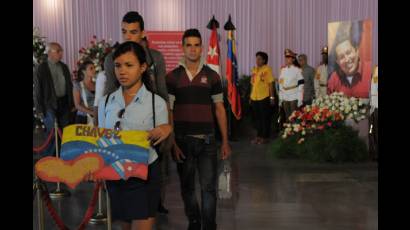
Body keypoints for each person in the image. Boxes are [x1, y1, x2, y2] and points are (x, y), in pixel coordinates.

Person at [97, 41, 172, 230]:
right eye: (118, 65)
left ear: (143, 67)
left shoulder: (157, 103)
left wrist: (166, 129)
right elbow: (100, 139)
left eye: (129, 65)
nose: (122, 71)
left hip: (144, 175)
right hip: (115, 176)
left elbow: (164, 134)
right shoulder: (105, 102)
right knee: (124, 226)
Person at [166, 29, 232, 230]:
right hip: (182, 141)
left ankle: (209, 225)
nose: (193, 49)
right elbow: (169, 111)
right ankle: (194, 221)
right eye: (189, 45)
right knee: (187, 188)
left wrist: (225, 141)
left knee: (209, 188)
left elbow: (220, 109)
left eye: (196, 45)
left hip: (208, 141)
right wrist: (172, 142)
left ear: (202, 48)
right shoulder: (172, 78)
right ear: (183, 47)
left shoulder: (212, 76)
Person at [36, 42, 75, 155]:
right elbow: (37, 90)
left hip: (64, 103)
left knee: (65, 132)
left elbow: (69, 86)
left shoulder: (64, 67)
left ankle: (62, 157)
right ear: (49, 53)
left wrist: (72, 104)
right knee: (52, 133)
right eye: (58, 51)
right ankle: (48, 158)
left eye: (61, 50)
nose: (61, 53)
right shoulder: (41, 68)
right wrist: (39, 109)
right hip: (49, 104)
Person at [327, 21, 372, 98]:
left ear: (356, 51)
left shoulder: (371, 70)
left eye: (348, 52)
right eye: (341, 57)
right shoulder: (334, 78)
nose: (347, 59)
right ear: (337, 62)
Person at [250, 51, 275, 144]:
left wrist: (272, 97)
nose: (257, 60)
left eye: (259, 59)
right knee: (257, 118)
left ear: (264, 60)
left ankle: (265, 137)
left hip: (264, 96)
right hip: (254, 97)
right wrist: (250, 97)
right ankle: (258, 136)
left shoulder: (267, 69)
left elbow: (271, 83)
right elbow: (252, 84)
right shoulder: (254, 69)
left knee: (265, 118)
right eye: (256, 58)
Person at [278, 49, 304, 121]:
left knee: (294, 116)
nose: (286, 59)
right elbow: (281, 84)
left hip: (294, 95)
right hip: (285, 95)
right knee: (287, 116)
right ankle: (287, 131)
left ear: (293, 59)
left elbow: (301, 84)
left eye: (289, 57)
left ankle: (294, 131)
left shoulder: (297, 70)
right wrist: (280, 97)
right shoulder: (283, 70)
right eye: (286, 57)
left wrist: (300, 98)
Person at [73, 60, 96, 124]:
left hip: (96, 117)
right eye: (91, 68)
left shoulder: (97, 84)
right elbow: (77, 105)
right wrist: (91, 112)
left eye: (94, 68)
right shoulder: (78, 85)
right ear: (84, 71)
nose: (94, 70)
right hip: (83, 117)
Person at [369, 65, 378, 160]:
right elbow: (374, 91)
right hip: (376, 107)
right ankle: (374, 152)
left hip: (375, 107)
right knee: (373, 129)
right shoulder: (376, 71)